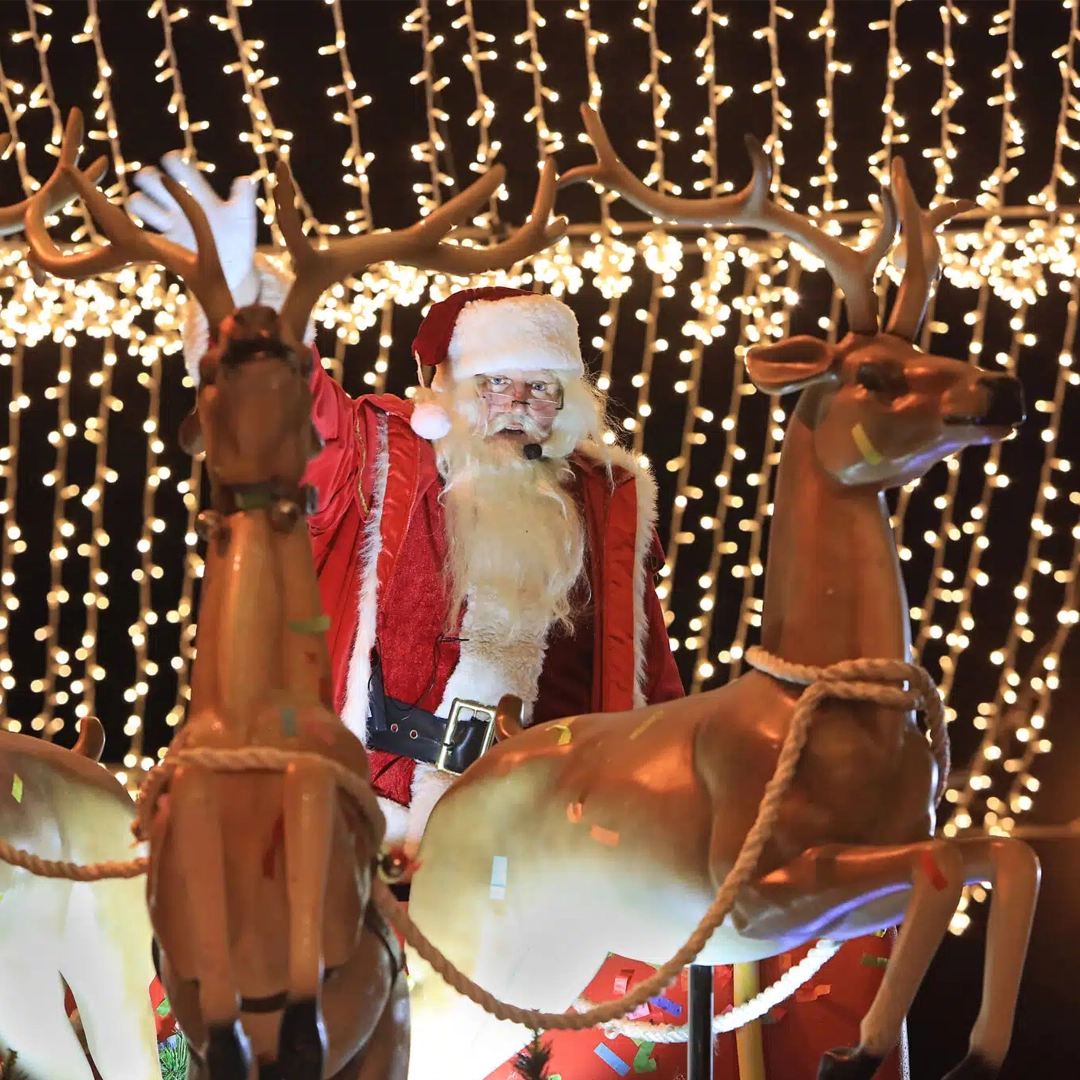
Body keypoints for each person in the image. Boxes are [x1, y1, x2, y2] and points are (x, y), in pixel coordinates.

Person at [129, 155, 905, 1080]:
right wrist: (244, 304)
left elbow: (642, 669)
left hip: (535, 813)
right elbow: (292, 412)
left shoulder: (602, 500)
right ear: (450, 391)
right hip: (373, 799)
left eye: (545, 390)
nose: (524, 409)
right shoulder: (381, 453)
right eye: (501, 385)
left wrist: (707, 781)